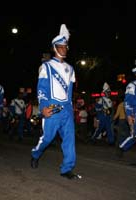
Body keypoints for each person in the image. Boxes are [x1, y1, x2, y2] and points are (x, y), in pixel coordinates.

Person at [30, 24, 81, 180]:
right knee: (47, 137)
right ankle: (35, 154)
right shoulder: (46, 66)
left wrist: (71, 108)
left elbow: (70, 91)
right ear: (54, 48)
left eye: (66, 46)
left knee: (70, 138)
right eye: (61, 46)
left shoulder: (71, 69)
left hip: (66, 108)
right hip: (51, 107)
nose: (65, 48)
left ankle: (67, 168)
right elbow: (41, 89)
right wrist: (43, 108)